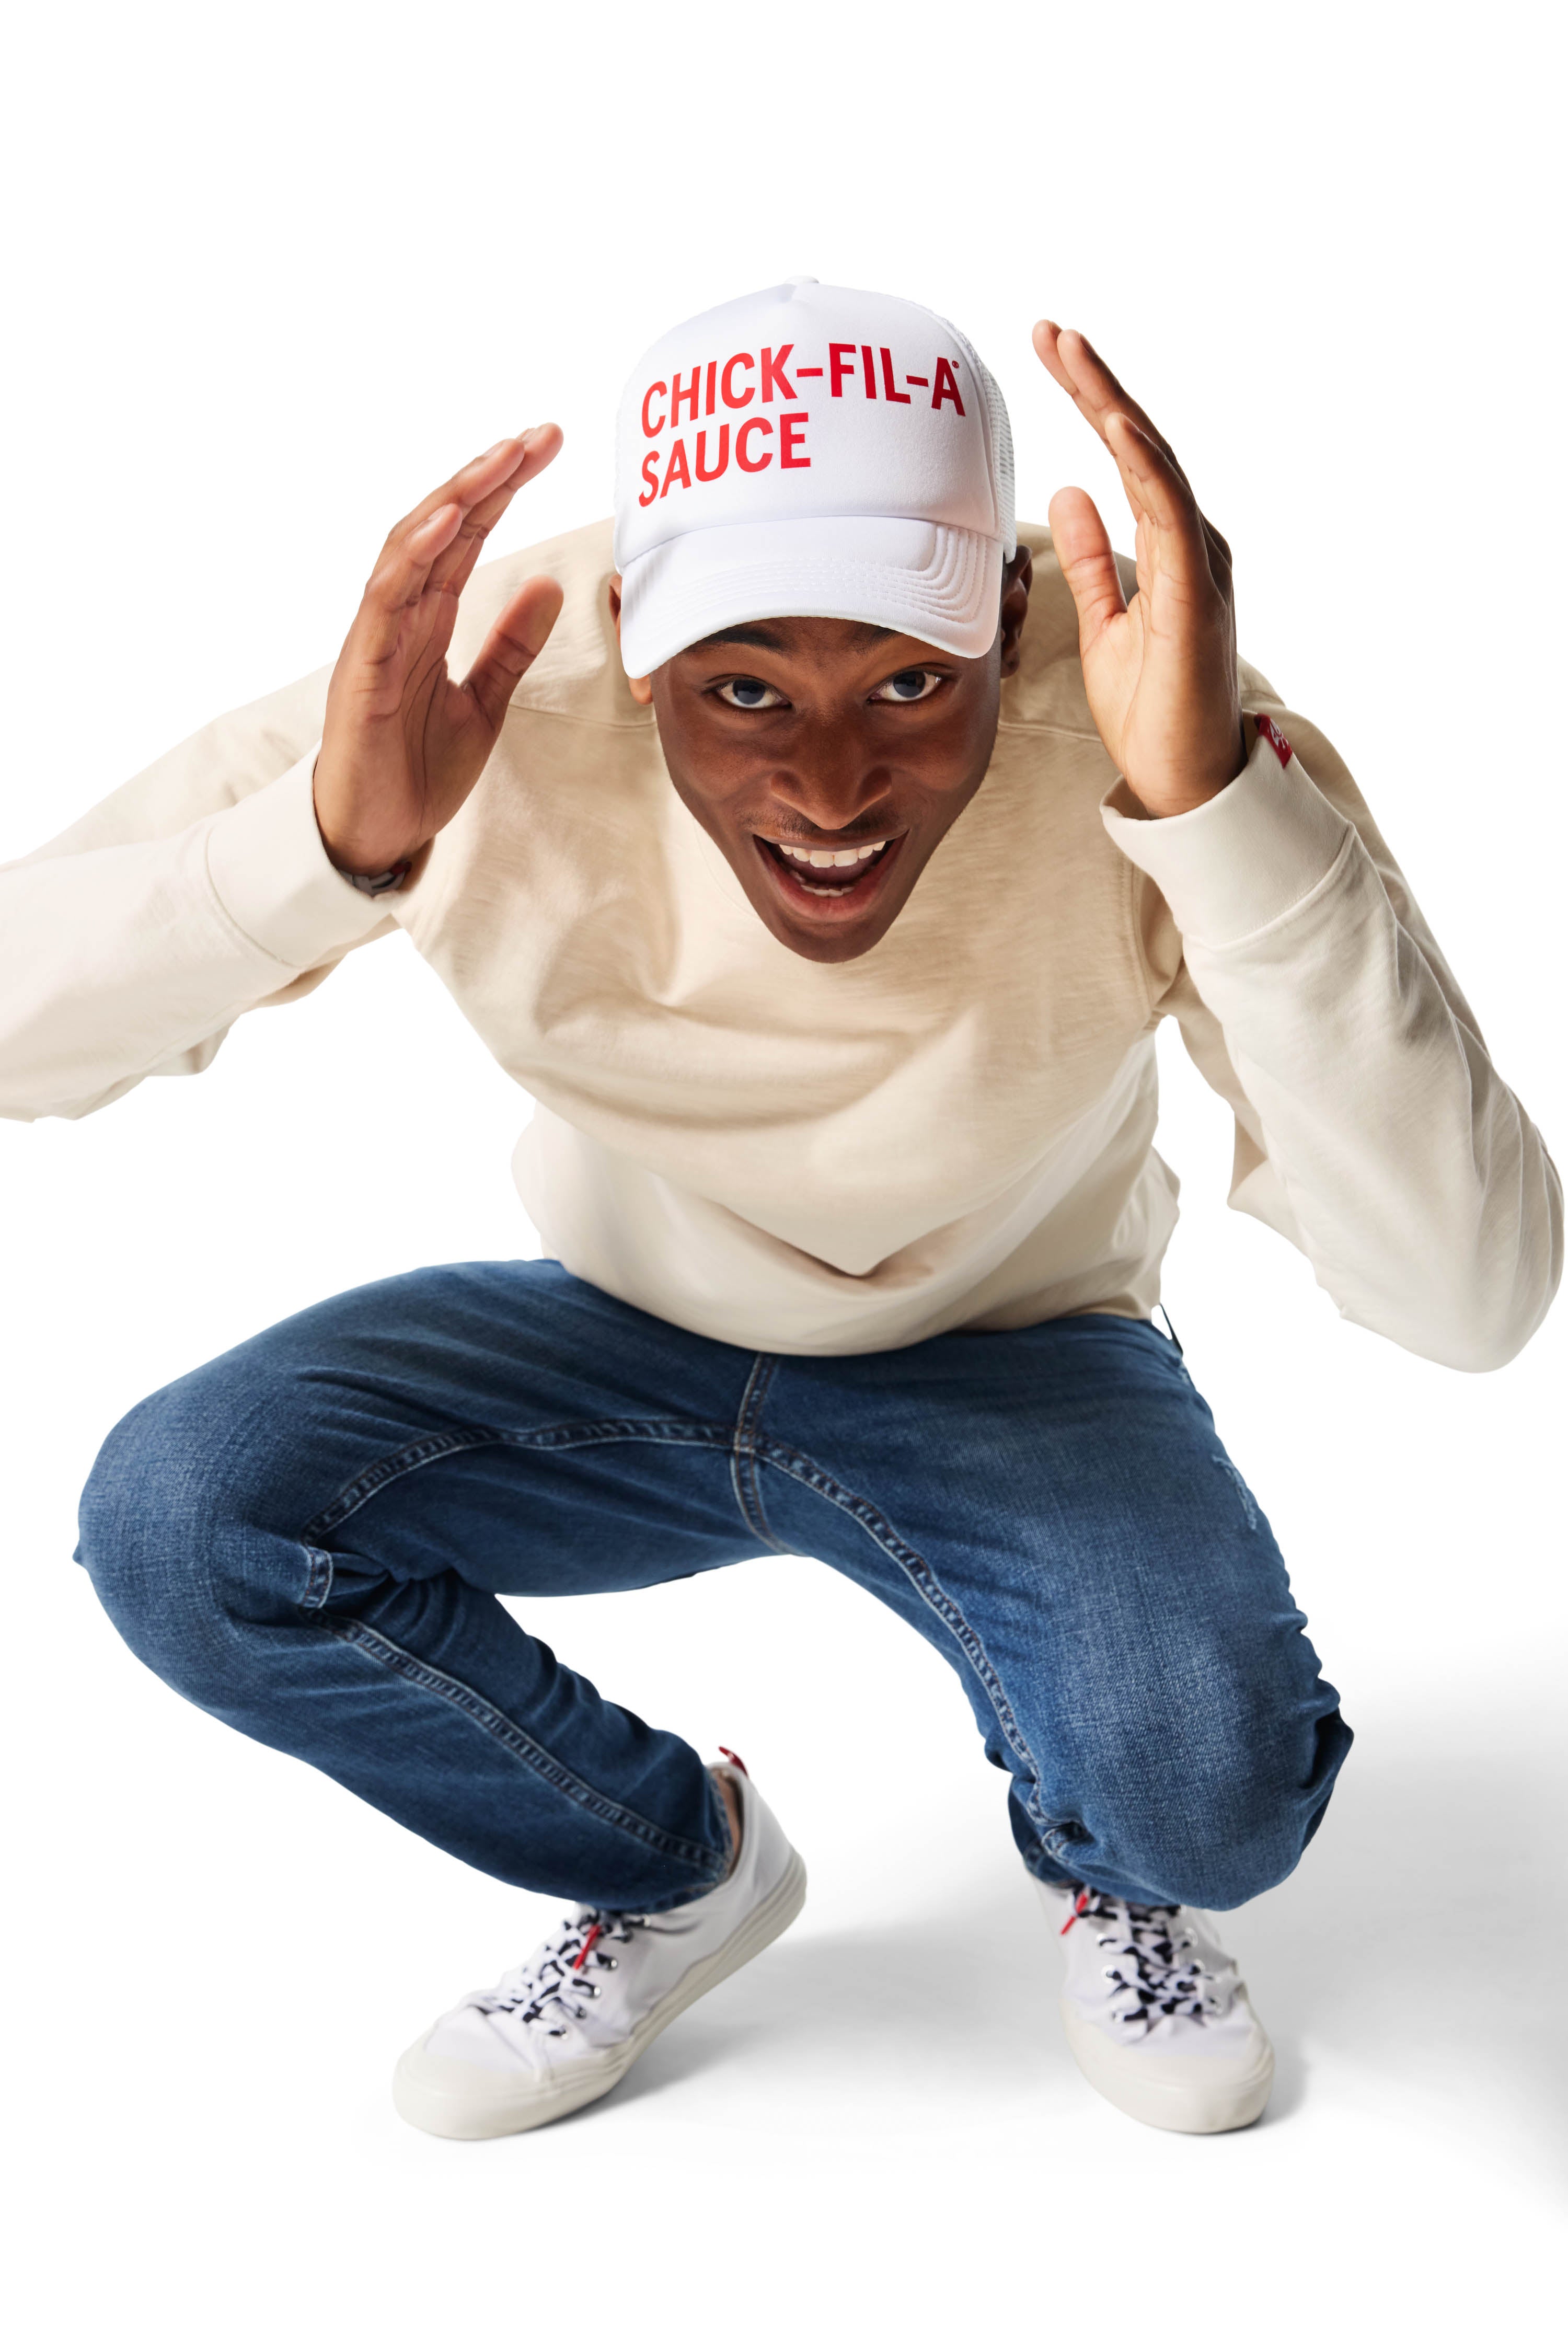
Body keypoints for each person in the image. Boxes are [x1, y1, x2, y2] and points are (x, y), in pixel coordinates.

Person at [5, 278, 1558, 2141]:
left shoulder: (1164, 727)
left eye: (911, 680)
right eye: (748, 688)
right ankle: (679, 1864)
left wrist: (1218, 812)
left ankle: (1102, 1858)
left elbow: (1470, 1295)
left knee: (1205, 1793)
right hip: (612, 1338)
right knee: (184, 1515)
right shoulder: (495, 690)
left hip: (1020, 1354)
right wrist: (330, 854)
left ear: (1007, 619)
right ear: (638, 647)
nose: (829, 787)